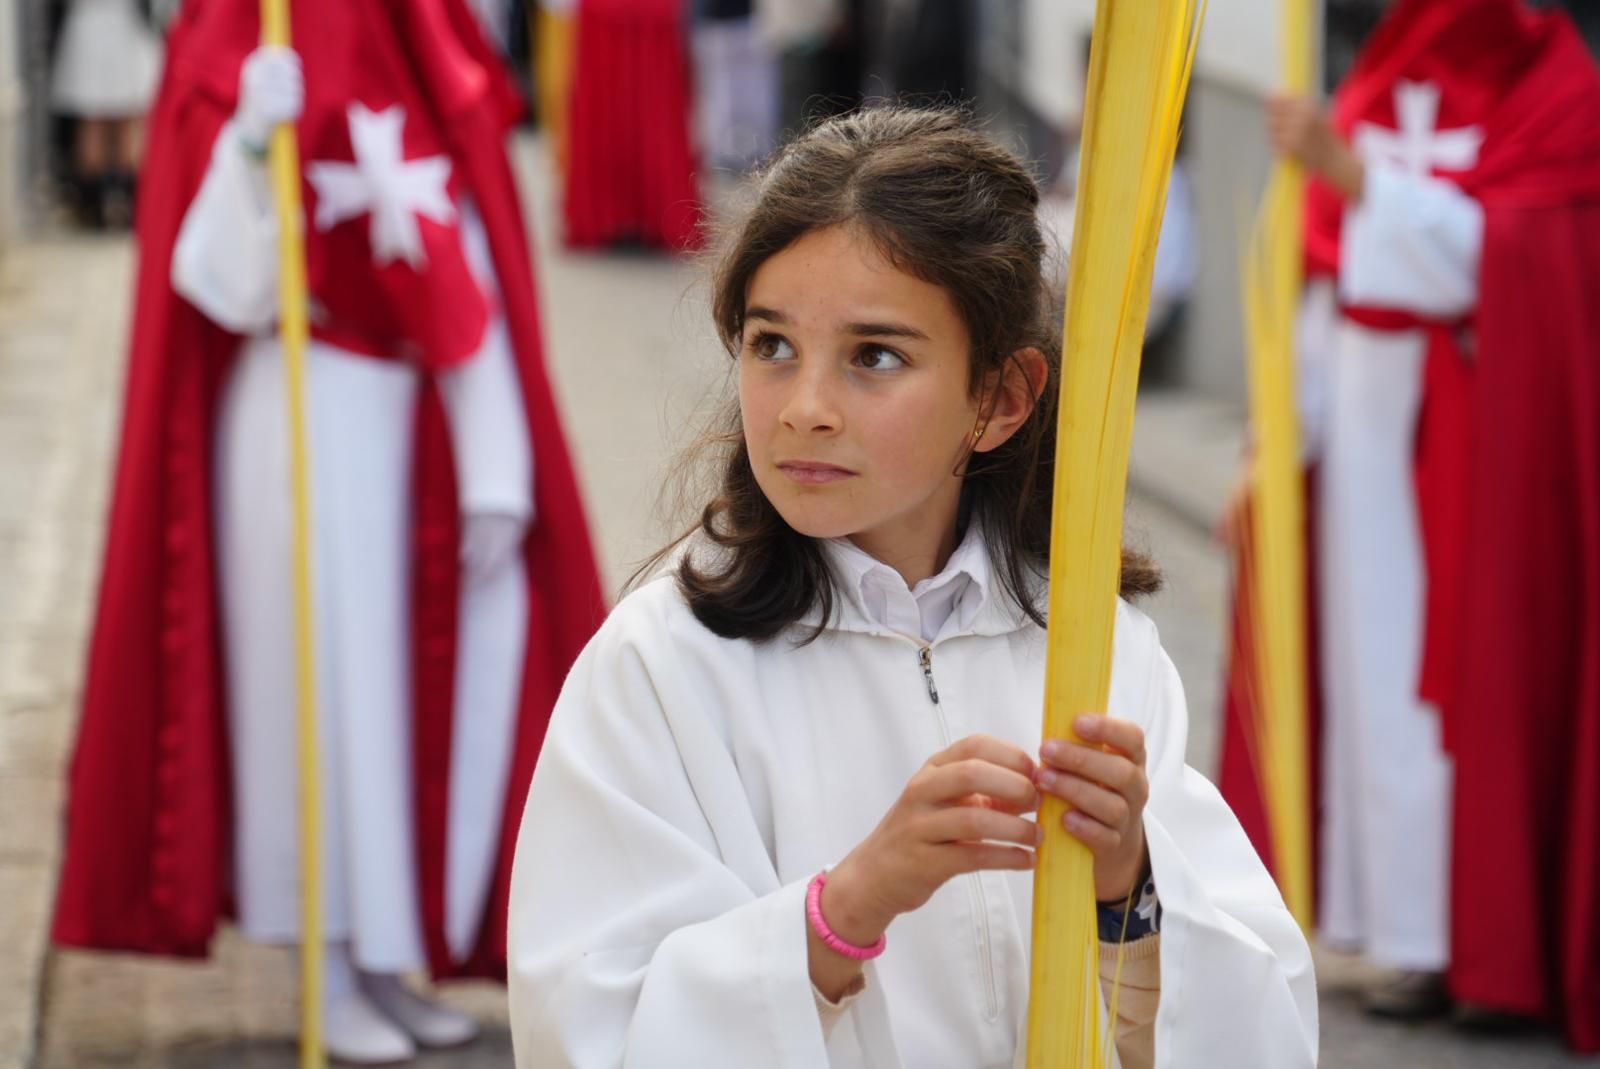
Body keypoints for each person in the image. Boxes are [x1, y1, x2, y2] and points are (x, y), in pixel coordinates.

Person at [505, 107, 1317, 1068]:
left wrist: (1129, 882)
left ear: (1001, 398)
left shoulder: (1093, 650)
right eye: (772, 345)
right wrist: (846, 908)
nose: (805, 408)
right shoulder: (662, 667)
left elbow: (1264, 1025)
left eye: (875, 356)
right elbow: (587, 1023)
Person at [51, 1, 606, 1064]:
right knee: (310, 694)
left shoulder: (423, 30)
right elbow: (217, 282)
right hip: (293, 407)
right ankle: (327, 961)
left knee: (395, 704)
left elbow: (472, 240)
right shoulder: (230, 37)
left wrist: (496, 456)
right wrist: (248, 146)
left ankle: (386, 957)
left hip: (411, 419)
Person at [1218, 0, 1600, 1042]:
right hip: (1359, 438)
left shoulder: (1558, 87)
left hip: (1483, 446)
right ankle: (1409, 938)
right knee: (1372, 686)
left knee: (1474, 685)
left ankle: (1492, 947)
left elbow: (1522, 252)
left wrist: (1357, 179)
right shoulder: (1386, 69)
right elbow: (1319, 267)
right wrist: (1276, 441)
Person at [50, 0, 164, 228]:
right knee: (120, 128)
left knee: (100, 126)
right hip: (117, 28)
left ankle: (97, 210)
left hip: (104, 27)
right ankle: (121, 207)